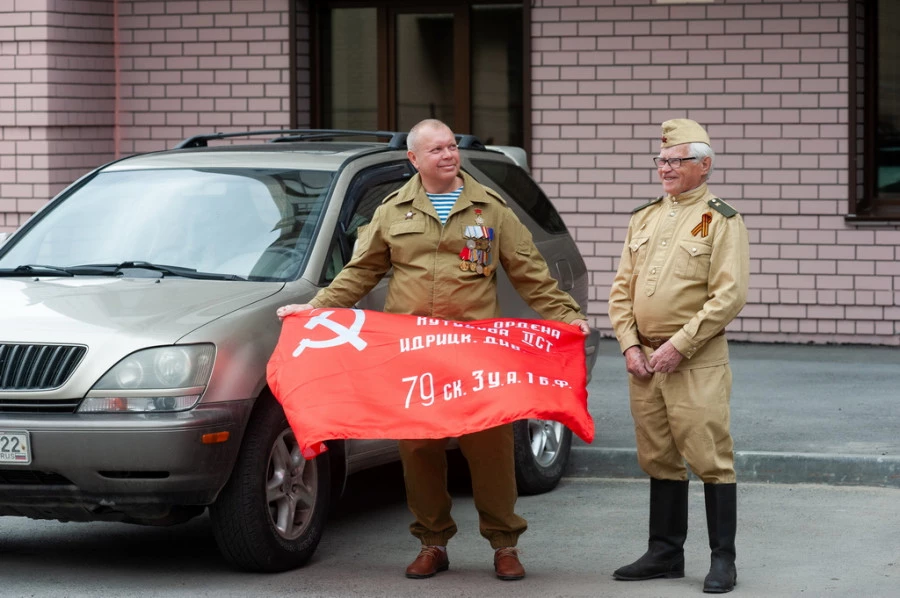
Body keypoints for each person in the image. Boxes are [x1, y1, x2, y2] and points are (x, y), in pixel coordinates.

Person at [277, 119, 589, 581]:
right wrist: (315, 310)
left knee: (490, 448)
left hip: (474, 353)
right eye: (436, 149)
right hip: (414, 354)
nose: (447, 155)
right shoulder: (391, 211)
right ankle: (432, 542)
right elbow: (359, 274)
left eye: (450, 147)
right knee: (419, 448)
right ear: (414, 160)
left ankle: (504, 544)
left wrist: (566, 316)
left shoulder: (491, 209)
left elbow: (531, 274)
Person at [607, 118, 749, 594]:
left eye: (676, 160)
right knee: (659, 457)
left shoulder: (721, 218)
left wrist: (678, 345)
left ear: (703, 166)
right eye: (661, 160)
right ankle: (664, 553)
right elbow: (621, 289)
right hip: (645, 362)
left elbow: (727, 297)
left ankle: (722, 559)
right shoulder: (644, 217)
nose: (665, 168)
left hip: (693, 359)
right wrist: (628, 343)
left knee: (710, 457)